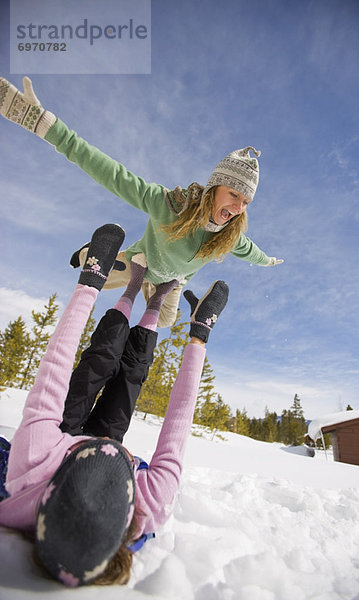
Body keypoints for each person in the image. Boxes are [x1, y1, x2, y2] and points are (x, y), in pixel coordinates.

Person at [0, 223, 229, 587]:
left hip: (59, 440)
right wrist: (198, 336)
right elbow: (179, 421)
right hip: (82, 465)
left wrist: (91, 281)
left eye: (97, 455)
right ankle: (156, 298)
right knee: (129, 380)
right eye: (116, 463)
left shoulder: (32, 462)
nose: (105, 449)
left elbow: (55, 366)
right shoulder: (149, 505)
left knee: (100, 362)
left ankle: (134, 283)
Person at [0, 76, 283, 327]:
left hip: (170, 281)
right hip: (143, 259)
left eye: (245, 202)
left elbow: (252, 252)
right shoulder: (170, 206)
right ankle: (96, 253)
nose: (238, 208)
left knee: (164, 320)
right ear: (214, 188)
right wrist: (50, 129)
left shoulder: (231, 236)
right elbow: (114, 175)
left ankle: (151, 284)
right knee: (97, 272)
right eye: (234, 195)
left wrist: (268, 261)